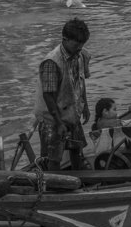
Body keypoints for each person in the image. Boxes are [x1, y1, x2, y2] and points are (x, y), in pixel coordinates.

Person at [34, 17, 91, 170]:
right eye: (76, 44)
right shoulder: (52, 62)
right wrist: (58, 122)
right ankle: (53, 185)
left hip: (71, 110)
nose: (80, 47)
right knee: (53, 158)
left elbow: (80, 81)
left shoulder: (81, 55)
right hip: (52, 117)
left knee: (77, 148)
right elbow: (48, 96)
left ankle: (80, 179)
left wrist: (85, 106)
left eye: (82, 44)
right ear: (65, 39)